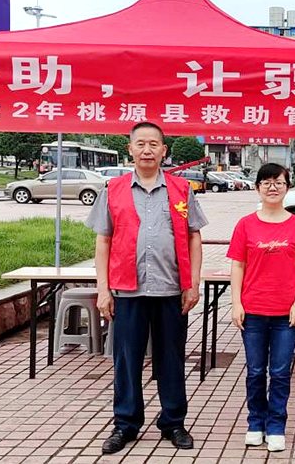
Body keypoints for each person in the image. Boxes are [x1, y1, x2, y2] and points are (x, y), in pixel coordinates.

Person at [87, 122, 208, 455]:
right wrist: (103, 289)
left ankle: (173, 422)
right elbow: (103, 241)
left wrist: (192, 284)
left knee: (172, 359)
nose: (147, 150)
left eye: (154, 144)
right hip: (127, 291)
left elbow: (194, 237)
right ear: (130, 149)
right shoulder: (113, 189)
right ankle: (125, 424)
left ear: (163, 151)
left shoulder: (181, 189)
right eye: (140, 143)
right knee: (127, 361)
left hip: (170, 290)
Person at [227, 163, 295, 452]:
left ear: (287, 187)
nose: (272, 187)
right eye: (266, 182)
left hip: (285, 313)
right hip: (253, 311)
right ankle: (256, 423)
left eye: (278, 182)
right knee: (255, 371)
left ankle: (276, 424)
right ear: (257, 188)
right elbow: (237, 265)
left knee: (279, 372)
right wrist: (236, 303)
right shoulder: (245, 225)